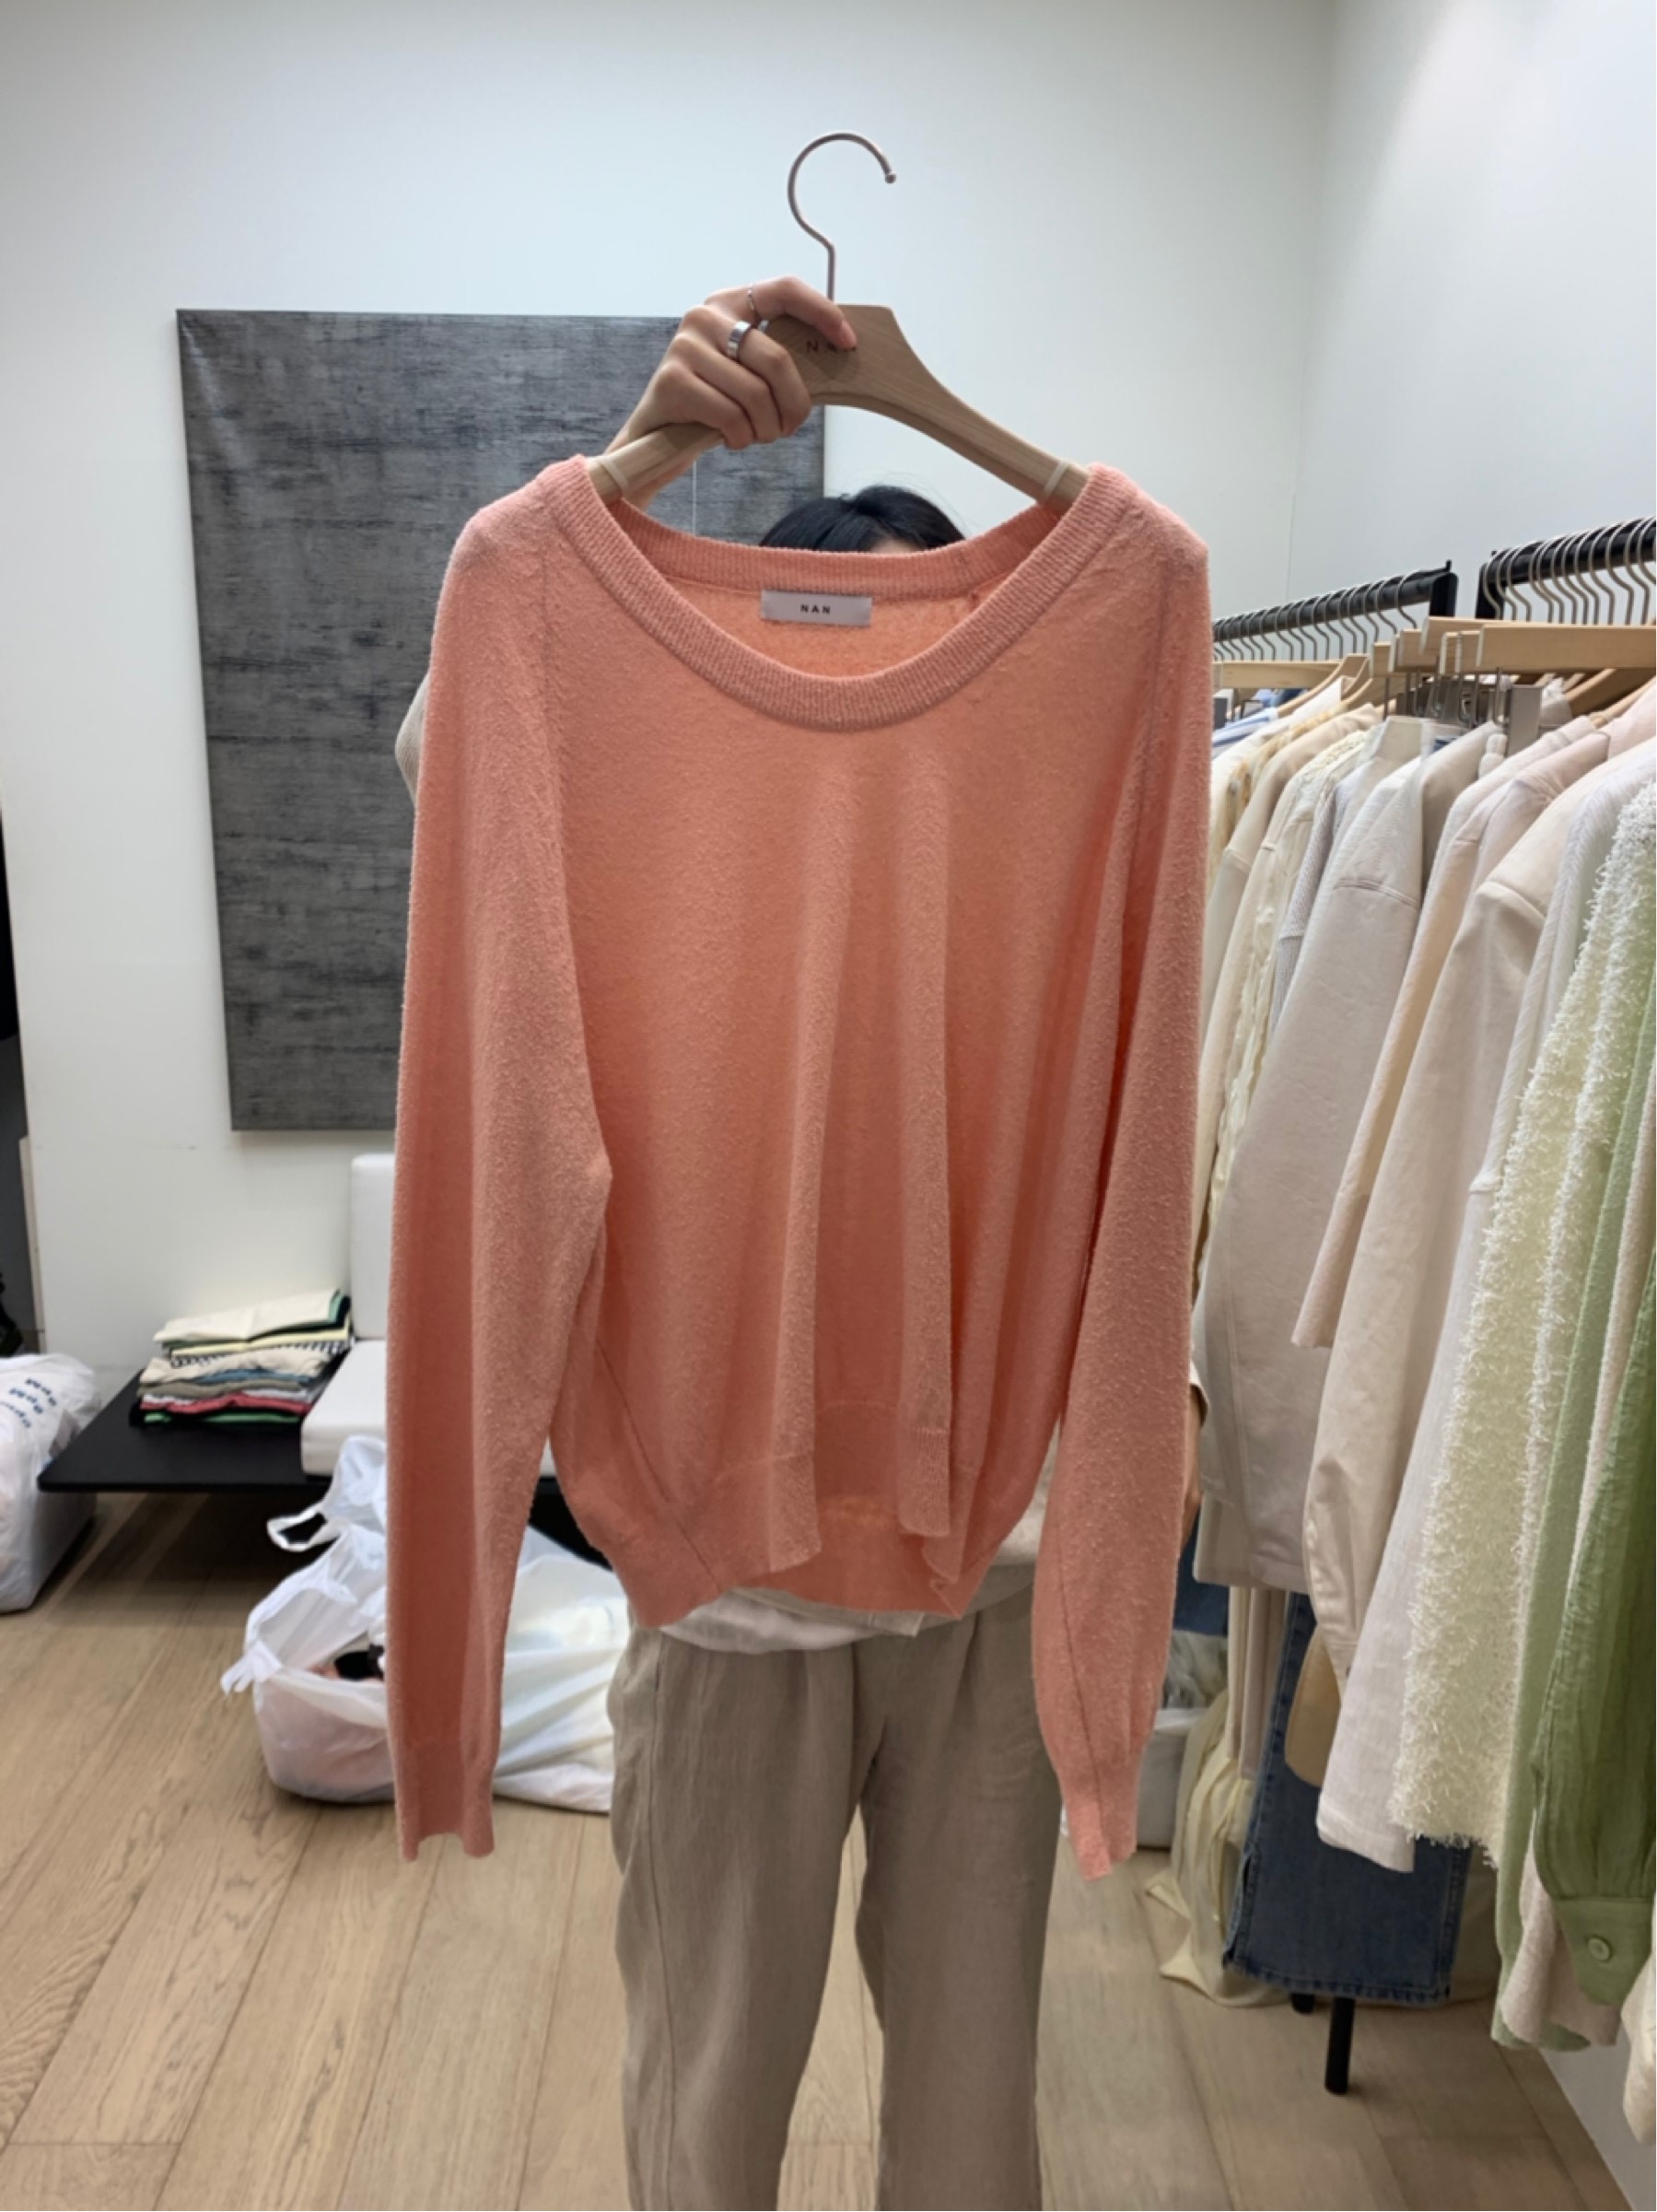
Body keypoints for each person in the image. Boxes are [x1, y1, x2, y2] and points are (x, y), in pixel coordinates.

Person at [394, 274, 1205, 2212]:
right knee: (712, 2115)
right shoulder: (544, 631)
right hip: (731, 1595)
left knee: (957, 2135)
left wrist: (1114, 1627)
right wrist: (626, 465)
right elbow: (456, 759)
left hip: (992, 1582)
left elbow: (1144, 1170)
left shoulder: (1125, 635)